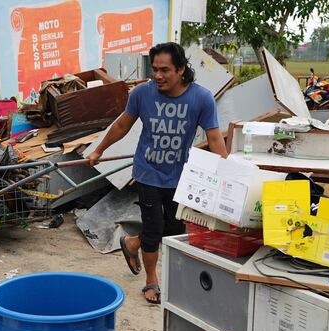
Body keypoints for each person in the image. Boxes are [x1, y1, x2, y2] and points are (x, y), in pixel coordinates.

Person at [88, 42, 228, 305]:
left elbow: (214, 137)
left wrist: (226, 171)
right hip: (147, 172)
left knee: (174, 230)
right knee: (154, 229)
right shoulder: (142, 94)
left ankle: (132, 244)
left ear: (181, 70)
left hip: (180, 176)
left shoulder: (201, 98)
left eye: (165, 70)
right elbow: (122, 125)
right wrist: (98, 150)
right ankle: (151, 280)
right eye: (155, 70)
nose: (158, 76)